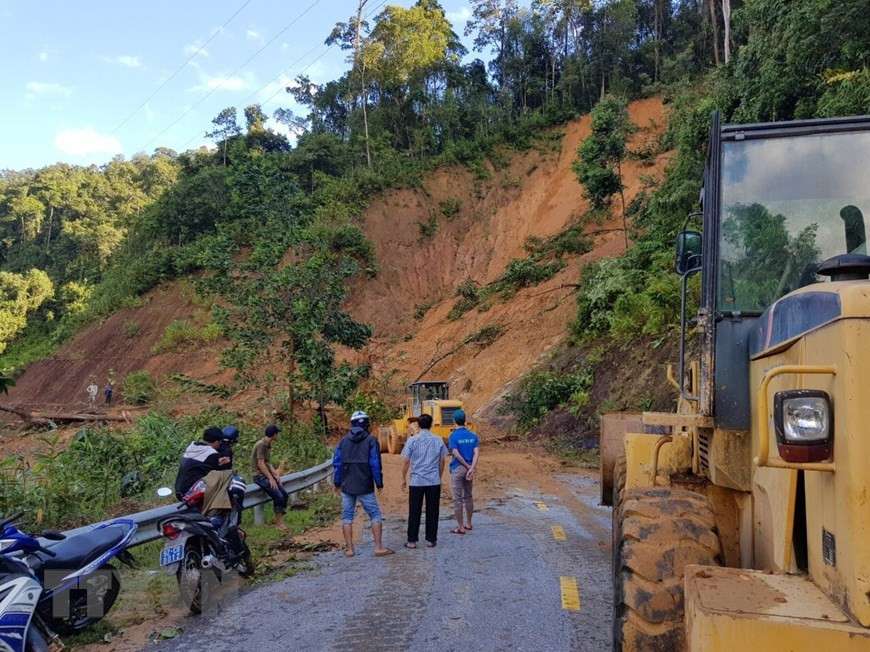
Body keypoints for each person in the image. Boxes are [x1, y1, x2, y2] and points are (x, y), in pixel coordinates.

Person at [332, 411, 394, 558]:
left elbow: (337, 464)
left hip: (347, 485)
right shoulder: (371, 441)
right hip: (365, 485)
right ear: (367, 424)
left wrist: (337, 482)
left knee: (347, 517)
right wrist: (379, 483)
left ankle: (350, 550)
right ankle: (378, 547)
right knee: (375, 515)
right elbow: (374, 464)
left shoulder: (343, 441)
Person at [401, 413, 448, 548]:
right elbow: (442, 460)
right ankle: (431, 540)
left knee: (414, 510)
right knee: (433, 510)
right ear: (431, 424)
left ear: (418, 425)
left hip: (416, 481)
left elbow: (406, 461)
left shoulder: (412, 440)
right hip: (433, 481)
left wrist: (403, 478)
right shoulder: (438, 440)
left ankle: (412, 541)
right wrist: (438, 476)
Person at [447, 409, 479, 535]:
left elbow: (455, 453)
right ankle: (469, 523)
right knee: (468, 496)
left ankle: (460, 526)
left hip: (457, 468)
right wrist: (471, 467)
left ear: (454, 420)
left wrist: (466, 465)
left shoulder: (453, 436)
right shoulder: (473, 436)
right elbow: (476, 453)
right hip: (469, 470)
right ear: (465, 420)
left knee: (457, 498)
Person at [174, 427, 230, 499]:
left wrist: (217, 462)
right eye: (220, 443)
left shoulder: (192, 447)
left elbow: (199, 465)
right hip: (190, 492)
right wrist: (222, 464)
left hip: (179, 490)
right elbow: (213, 474)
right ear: (216, 442)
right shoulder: (211, 453)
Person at [252, 424, 288, 531]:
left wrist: (276, 475)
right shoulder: (261, 445)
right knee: (278, 496)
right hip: (259, 476)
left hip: (266, 475)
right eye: (277, 434)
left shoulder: (267, 444)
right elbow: (261, 464)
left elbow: (267, 463)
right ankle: (279, 524)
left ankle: (280, 520)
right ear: (274, 434)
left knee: (284, 495)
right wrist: (271, 478)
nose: (278, 436)